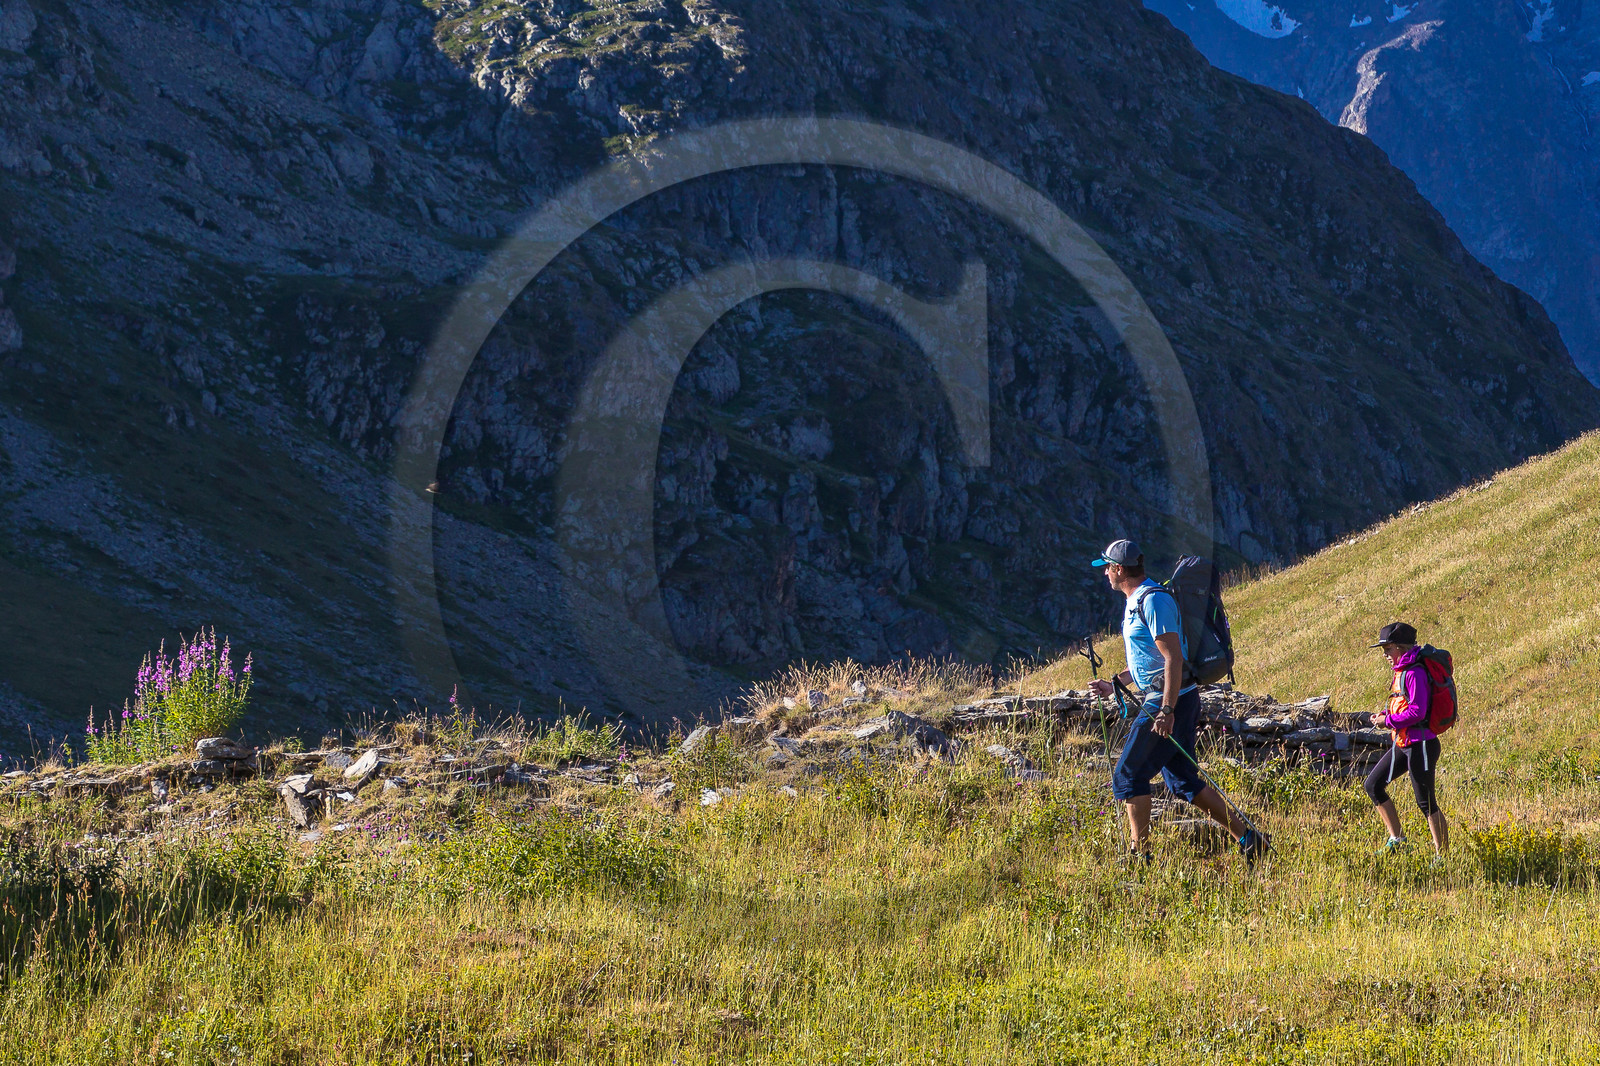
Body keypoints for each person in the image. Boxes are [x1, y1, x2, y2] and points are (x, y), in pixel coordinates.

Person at [1086, 539, 1270, 864]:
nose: (1105, 575)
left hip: (1168, 701)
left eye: (1107, 568)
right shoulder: (1137, 601)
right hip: (1173, 699)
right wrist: (1115, 684)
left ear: (1119, 569)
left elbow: (1173, 658)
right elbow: (1149, 658)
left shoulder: (1154, 601)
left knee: (1129, 775)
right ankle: (1249, 839)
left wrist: (1167, 710)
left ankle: (1139, 856)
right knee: (1183, 781)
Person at [1363, 622, 1449, 855]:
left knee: (1426, 802)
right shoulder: (1402, 670)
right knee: (1373, 785)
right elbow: (1404, 704)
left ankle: (1443, 856)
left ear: (1400, 648)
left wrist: (1388, 721)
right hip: (1405, 743)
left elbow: (1418, 712)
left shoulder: (1414, 672)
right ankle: (1397, 840)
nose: (1385, 655)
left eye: (1387, 649)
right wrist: (1385, 715)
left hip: (1422, 745)